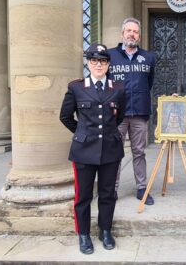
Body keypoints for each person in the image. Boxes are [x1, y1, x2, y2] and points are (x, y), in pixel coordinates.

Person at [59, 44, 126, 255]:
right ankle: (84, 234)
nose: (98, 64)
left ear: (108, 64)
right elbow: (65, 116)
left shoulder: (118, 88)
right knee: (83, 196)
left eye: (103, 61)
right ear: (88, 63)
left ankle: (105, 230)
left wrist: (106, 133)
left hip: (110, 150)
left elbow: (120, 116)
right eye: (94, 61)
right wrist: (82, 133)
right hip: (83, 151)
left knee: (108, 194)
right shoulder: (77, 87)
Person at [108, 18, 157, 205]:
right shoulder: (110, 56)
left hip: (139, 113)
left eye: (135, 32)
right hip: (116, 115)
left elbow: (149, 82)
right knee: (114, 152)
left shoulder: (149, 57)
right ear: (122, 34)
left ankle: (142, 188)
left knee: (139, 151)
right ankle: (112, 188)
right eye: (128, 31)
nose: (131, 34)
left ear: (139, 35)